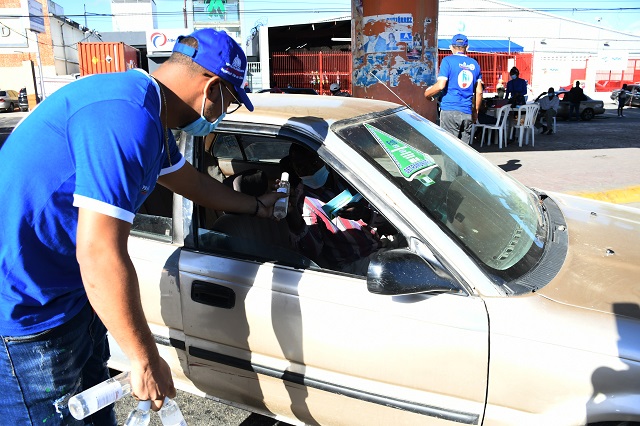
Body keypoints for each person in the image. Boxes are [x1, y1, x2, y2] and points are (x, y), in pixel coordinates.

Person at [0, 28, 284, 424]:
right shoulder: (125, 117)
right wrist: (144, 356)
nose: (222, 115)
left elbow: (190, 181)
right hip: (27, 312)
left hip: (71, 297)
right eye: (229, 103)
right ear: (212, 88)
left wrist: (255, 207)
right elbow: (98, 251)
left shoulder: (148, 112)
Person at [283, 145, 399, 276]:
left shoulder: (346, 179)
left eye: (314, 162)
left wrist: (366, 214)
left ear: (323, 160)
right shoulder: (304, 201)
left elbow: (387, 221)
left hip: (379, 243)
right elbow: (312, 251)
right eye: (301, 167)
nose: (310, 170)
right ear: (294, 168)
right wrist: (294, 218)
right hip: (354, 262)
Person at [423, 33, 483, 143]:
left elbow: (441, 85)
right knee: (464, 150)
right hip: (467, 112)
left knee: (449, 149)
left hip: (449, 111)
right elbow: (479, 92)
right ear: (467, 47)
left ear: (451, 47)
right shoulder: (475, 64)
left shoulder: (447, 61)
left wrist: (427, 94)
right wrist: (475, 112)